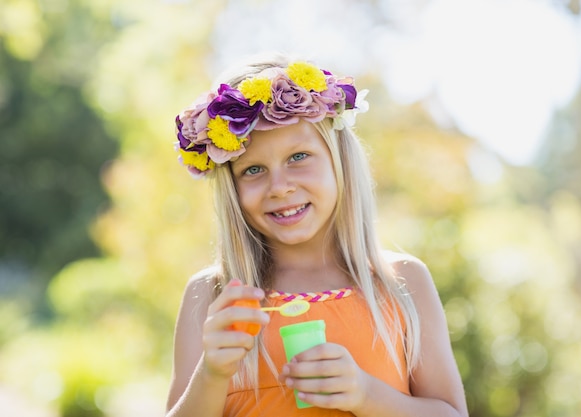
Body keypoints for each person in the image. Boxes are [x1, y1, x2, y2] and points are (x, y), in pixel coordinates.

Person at [165, 52, 468, 417]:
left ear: (339, 159)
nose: (279, 187)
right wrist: (211, 373)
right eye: (254, 169)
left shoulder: (400, 282)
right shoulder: (214, 295)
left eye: (298, 157)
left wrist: (367, 395)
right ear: (231, 189)